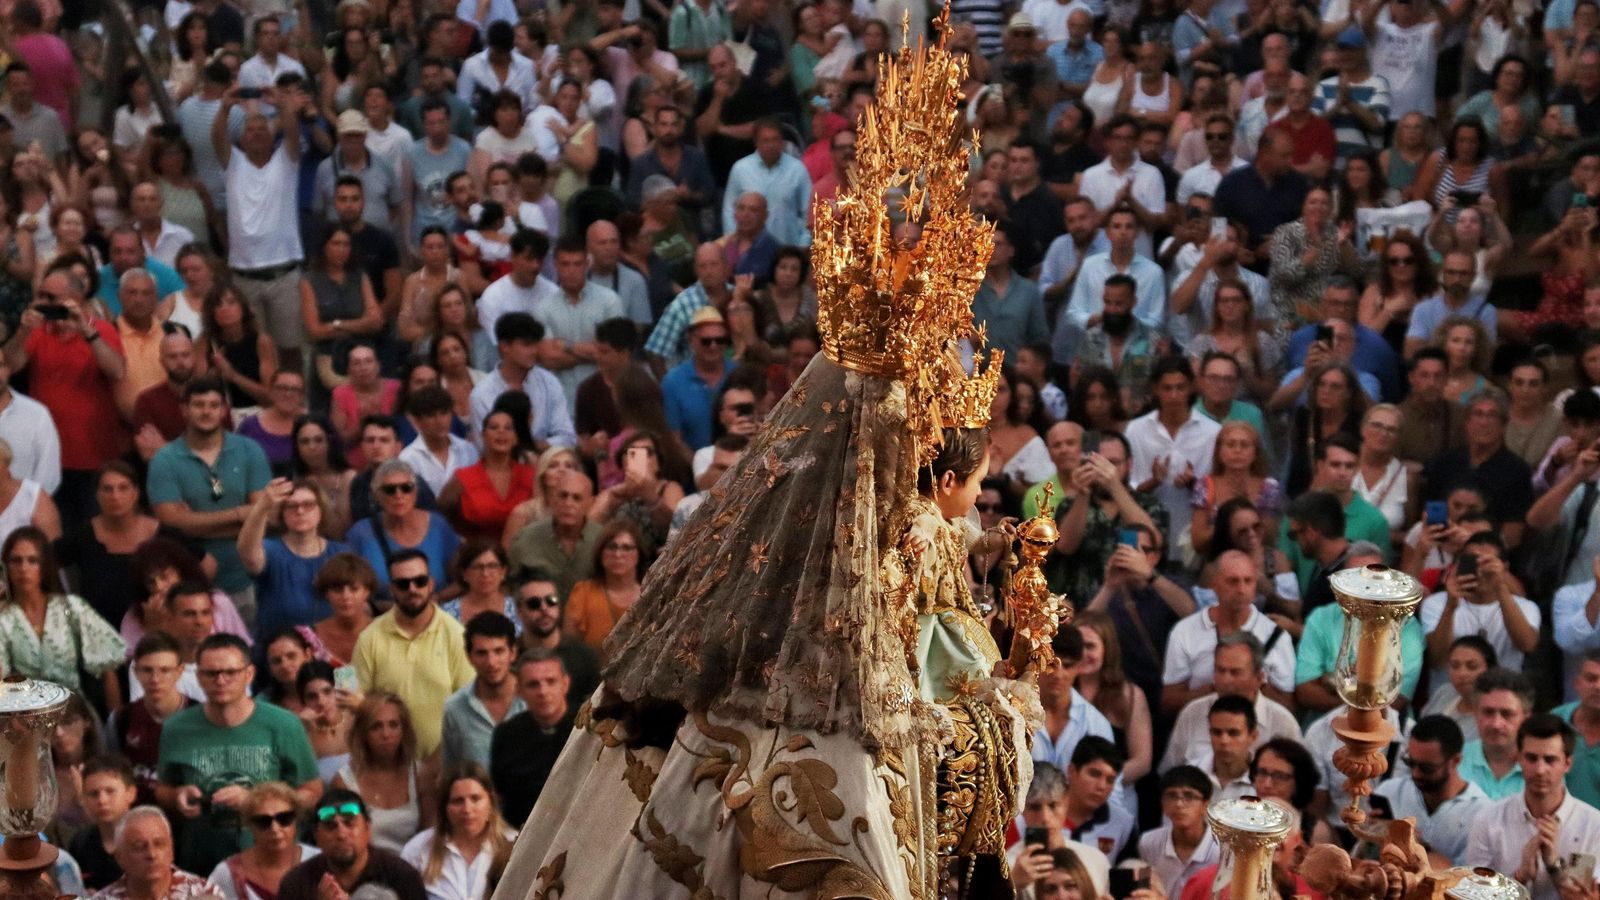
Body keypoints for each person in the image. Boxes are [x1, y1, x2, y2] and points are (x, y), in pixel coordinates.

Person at [155, 633, 321, 875]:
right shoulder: (176, 728)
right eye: (211, 673)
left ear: (249, 674)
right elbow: (163, 789)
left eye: (230, 672)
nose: (221, 681)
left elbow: (312, 790)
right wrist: (178, 795)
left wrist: (256, 802)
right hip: (202, 854)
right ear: (199, 677)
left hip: (269, 854)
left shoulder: (283, 724)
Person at [3, 270, 125, 523]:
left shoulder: (100, 329)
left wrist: (86, 331)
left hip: (92, 456)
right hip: (46, 456)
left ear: (76, 299)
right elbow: (11, 366)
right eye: (41, 296)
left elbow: (117, 370)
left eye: (52, 297)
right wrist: (24, 330)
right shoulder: (38, 331)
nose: (44, 303)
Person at [148, 377, 272, 625]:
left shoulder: (249, 450)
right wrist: (240, 515)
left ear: (224, 410)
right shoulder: (165, 459)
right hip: (192, 581)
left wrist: (194, 522)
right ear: (184, 410)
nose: (206, 412)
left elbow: (265, 515)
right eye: (199, 405)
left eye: (214, 405)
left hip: (247, 575)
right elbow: (171, 523)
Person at [1465, 715, 1600, 900]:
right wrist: (1519, 877)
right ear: (1519, 758)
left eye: (1550, 760)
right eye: (1531, 758)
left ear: (1567, 763)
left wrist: (1554, 867)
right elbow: (1474, 895)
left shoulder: (1594, 826)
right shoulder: (1488, 819)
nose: (1540, 770)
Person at [353, 546, 471, 754]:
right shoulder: (369, 638)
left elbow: (467, 705)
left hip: (445, 762)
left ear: (431, 584)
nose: (412, 588)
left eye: (420, 581)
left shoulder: (456, 634)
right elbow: (356, 700)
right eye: (403, 583)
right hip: (388, 763)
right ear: (391, 589)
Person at [0, 526, 124, 701]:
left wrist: (114, 723)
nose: (23, 568)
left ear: (44, 565)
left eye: (32, 560)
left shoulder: (72, 607)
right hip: (24, 716)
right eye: (16, 561)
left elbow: (108, 669)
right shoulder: (4, 619)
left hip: (73, 713)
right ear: (6, 566)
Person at [1163, 551, 1296, 714]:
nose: (1241, 589)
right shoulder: (1184, 631)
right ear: (1214, 584)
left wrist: (1252, 683)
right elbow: (1168, 702)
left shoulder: (1277, 636)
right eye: (1232, 581)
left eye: (1248, 581)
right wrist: (1217, 687)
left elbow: (1288, 706)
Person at [1161, 633, 1301, 772]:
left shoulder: (1283, 724)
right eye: (1220, 671)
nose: (1225, 680)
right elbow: (1170, 773)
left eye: (1235, 672)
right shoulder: (1192, 713)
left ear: (1259, 677)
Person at [1126, 356, 1221, 556]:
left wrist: (1195, 485)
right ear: (1155, 390)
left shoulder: (1213, 433)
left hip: (1194, 541)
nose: (1174, 395)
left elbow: (1219, 491)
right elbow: (1125, 489)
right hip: (1145, 539)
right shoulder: (1135, 430)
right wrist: (1153, 481)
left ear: (1191, 388)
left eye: (1180, 388)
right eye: (1167, 388)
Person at [239, 479, 349, 643]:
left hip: (332, 650)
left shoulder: (341, 553)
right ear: (282, 513)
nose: (300, 511)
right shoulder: (271, 550)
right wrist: (262, 507)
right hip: (280, 653)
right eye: (291, 506)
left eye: (308, 504)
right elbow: (248, 554)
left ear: (321, 511)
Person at [1372, 715, 1490, 866]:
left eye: (1427, 768)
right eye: (1410, 763)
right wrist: (1374, 835)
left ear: (1455, 761)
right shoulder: (1390, 791)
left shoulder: (1481, 814)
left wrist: (1414, 845)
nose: (1415, 773)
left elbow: (1463, 878)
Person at [331, 693, 436, 854]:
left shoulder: (420, 775)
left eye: (393, 725)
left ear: (404, 729)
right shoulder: (344, 782)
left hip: (413, 868)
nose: (386, 734)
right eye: (376, 727)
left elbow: (429, 837)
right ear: (363, 733)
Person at [275, 790, 428, 900]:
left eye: (349, 823)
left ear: (368, 829)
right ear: (316, 836)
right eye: (330, 826)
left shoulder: (401, 878)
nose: (341, 834)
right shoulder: (298, 884)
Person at [399, 763, 515, 900]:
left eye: (475, 799)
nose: (467, 809)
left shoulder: (514, 846)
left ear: (490, 802)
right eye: (458, 801)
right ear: (445, 807)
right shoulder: (418, 850)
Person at [488, 649, 575, 829]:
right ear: (518, 690)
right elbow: (498, 795)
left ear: (565, 684)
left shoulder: (588, 729)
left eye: (551, 682)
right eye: (533, 685)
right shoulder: (506, 735)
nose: (543, 691)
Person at [346, 460, 461, 590]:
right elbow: (352, 589)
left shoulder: (439, 526)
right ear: (377, 495)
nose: (399, 495)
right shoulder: (360, 534)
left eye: (406, 488)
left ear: (415, 492)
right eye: (390, 490)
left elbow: (461, 581)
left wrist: (437, 600)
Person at [468, 313, 575, 450]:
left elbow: (568, 437)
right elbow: (484, 447)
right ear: (505, 346)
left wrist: (534, 448)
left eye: (535, 344)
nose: (534, 351)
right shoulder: (481, 395)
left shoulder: (549, 382)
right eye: (527, 345)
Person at [206, 782, 321, 900]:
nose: (275, 829)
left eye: (284, 819)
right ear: (250, 826)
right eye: (263, 822)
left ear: (296, 820)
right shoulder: (226, 874)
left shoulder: (321, 861)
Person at [441, 612, 526, 769]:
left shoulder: (534, 700)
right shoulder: (454, 709)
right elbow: (451, 772)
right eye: (482, 653)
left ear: (512, 653)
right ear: (469, 656)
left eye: (498, 651)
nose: (491, 662)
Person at [440, 410, 536, 543]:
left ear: (515, 438)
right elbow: (439, 515)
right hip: (475, 557)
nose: (501, 432)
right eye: (494, 427)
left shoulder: (530, 476)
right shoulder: (463, 478)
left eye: (508, 428)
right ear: (483, 436)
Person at [93, 806, 226, 900]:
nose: (152, 855)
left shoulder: (204, 893)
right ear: (119, 858)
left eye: (159, 844)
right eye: (139, 847)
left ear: (171, 849)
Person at [507, 473, 600, 599]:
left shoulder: (604, 540)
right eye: (563, 496)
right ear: (551, 499)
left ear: (590, 503)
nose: (568, 503)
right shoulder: (525, 539)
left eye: (577, 498)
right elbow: (510, 589)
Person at [563, 521, 644, 658]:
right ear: (600, 553)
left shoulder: (651, 594)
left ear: (638, 554)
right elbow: (568, 651)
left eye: (626, 548)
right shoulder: (583, 593)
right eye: (612, 547)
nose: (618, 554)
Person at [1139, 766, 1220, 897]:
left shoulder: (1222, 849)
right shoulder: (1149, 842)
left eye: (1189, 796)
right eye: (1171, 796)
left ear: (1205, 805)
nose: (1179, 804)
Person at [1460, 668, 1536, 800]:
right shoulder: (1452, 762)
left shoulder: (1542, 769)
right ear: (1475, 713)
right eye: (1488, 712)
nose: (1496, 724)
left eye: (1507, 714)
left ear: (1526, 718)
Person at [71, 755, 139, 890]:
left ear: (130, 793)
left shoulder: (149, 839)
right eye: (94, 794)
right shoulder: (80, 843)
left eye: (110, 791)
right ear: (83, 798)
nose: (102, 800)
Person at [1421, 635, 1496, 740]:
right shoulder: (1444, 693)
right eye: (1455, 666)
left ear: (1490, 669)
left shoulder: (1496, 715)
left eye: (1472, 666)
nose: (1462, 674)